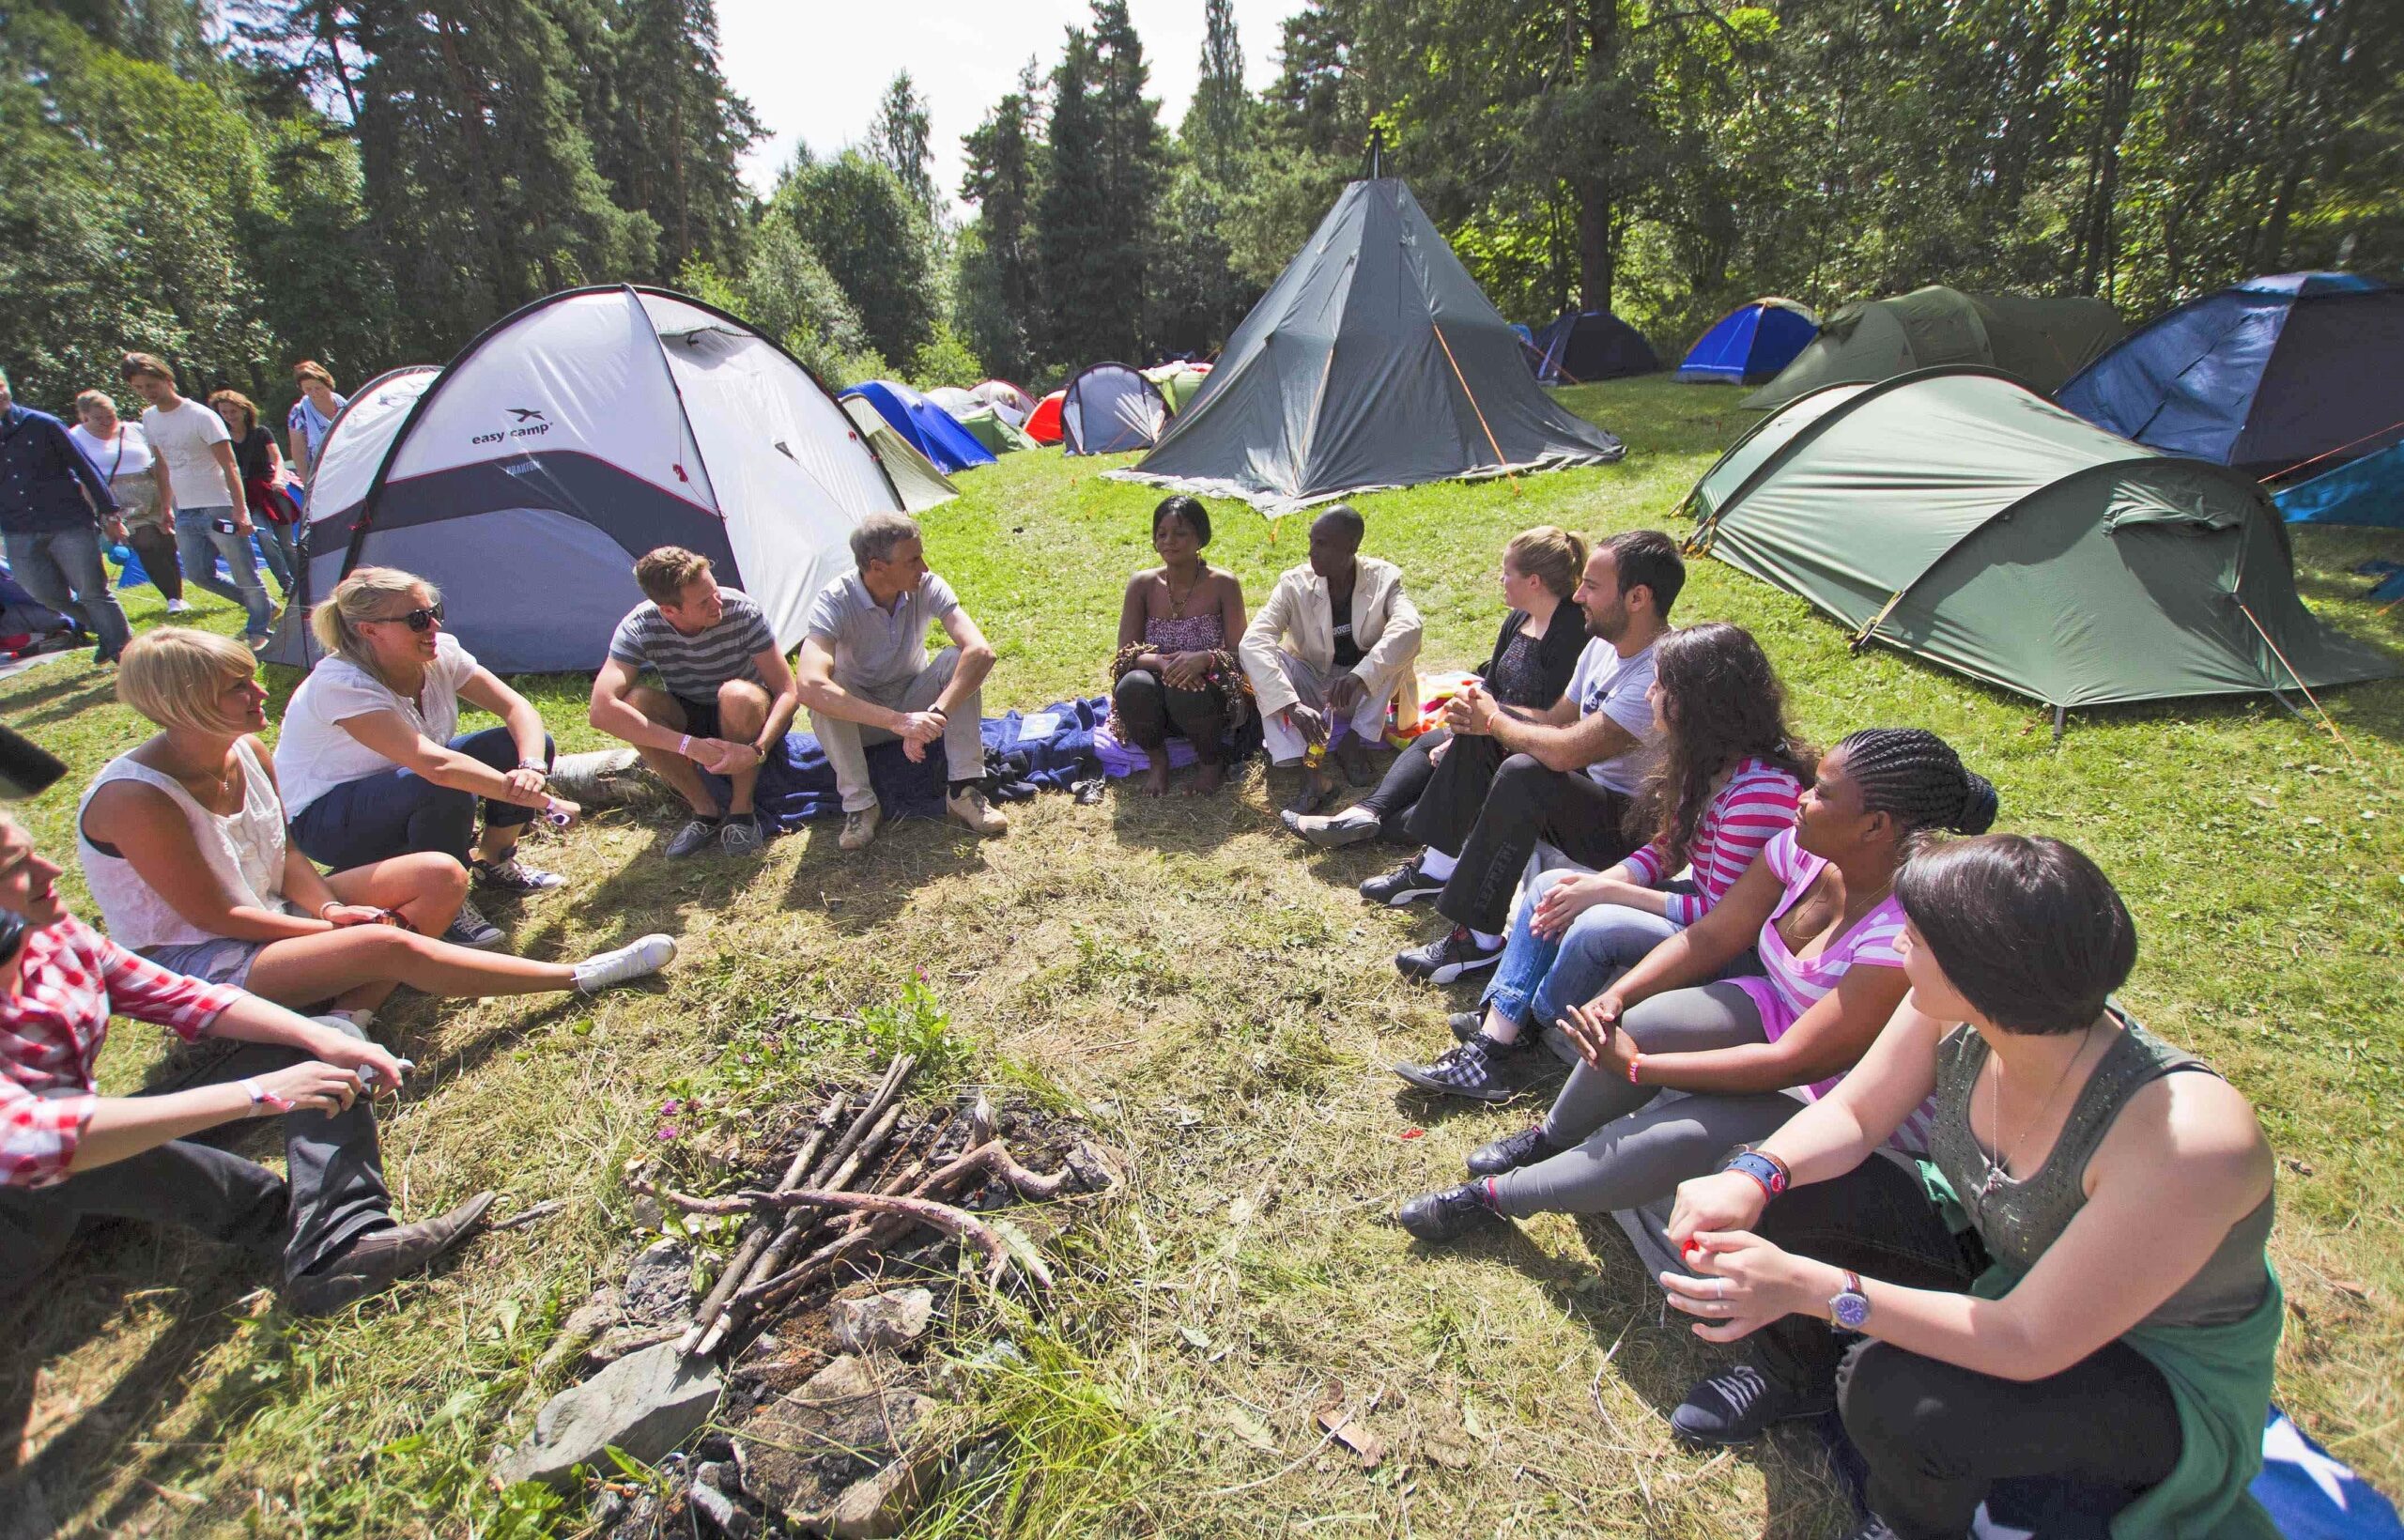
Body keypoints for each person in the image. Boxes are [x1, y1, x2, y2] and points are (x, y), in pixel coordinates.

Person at [1656, 836, 2280, 1540]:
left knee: (1897, 1398)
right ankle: (1795, 1377)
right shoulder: (1952, 1005)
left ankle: (1914, 1524)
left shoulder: (2190, 1142)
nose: (1896, 952)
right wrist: (1755, 1174)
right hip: (2000, 1270)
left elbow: (2028, 1340)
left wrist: (1812, 1287)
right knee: (1786, 1188)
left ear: (1981, 975)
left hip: (2144, 1367)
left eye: (1913, 940)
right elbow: (1855, 1115)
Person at [1394, 728, 1996, 1243]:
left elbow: (1794, 1062)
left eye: (1821, 794)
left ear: (1875, 826)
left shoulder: (1902, 932)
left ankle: (1500, 1197)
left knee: (1679, 1134)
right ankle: (1549, 1140)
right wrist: (1621, 995)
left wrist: (1642, 1071)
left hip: (1840, 1096)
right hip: (1778, 1012)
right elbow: (1711, 937)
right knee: (1643, 1024)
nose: (1801, 799)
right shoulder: (1802, 851)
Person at [0, 814, 497, 1316]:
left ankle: (344, 1236)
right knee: (98, 1147)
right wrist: (261, 1092)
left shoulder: (53, 934)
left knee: (324, 1040)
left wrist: (316, 1036)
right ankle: (286, 1226)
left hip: (74, 1147)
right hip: (24, 1195)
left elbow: (186, 998)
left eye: (33, 851)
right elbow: (39, 1141)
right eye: (14, 867)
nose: (52, 870)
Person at [81, 628, 673, 1024]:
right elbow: (214, 919)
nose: (261, 692)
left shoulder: (247, 752)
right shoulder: (138, 798)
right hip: (196, 962)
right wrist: (334, 933)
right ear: (184, 703)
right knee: (388, 940)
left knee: (441, 876)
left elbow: (283, 858)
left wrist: (330, 913)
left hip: (267, 910)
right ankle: (577, 977)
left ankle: (350, 1018)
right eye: (237, 686)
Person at [1391, 622, 1811, 1101]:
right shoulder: (1708, 761)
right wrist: (1591, 883)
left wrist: (1606, 891)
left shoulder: (1759, 794)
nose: (1650, 693)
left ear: (1697, 702)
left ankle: (1515, 1028)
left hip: (1732, 943)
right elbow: (1667, 848)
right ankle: (1502, 1033)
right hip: (1703, 906)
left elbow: (1723, 920)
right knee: (1557, 885)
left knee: (1597, 925)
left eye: (1660, 685)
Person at [1378, 530, 1682, 985]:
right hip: (1592, 791)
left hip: (1631, 827)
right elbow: (1558, 718)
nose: (1578, 594)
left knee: (1521, 767)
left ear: (1638, 597)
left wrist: (1497, 722)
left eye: (1592, 587)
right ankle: (1437, 866)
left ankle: (1477, 941)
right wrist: (1489, 715)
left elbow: (1569, 751)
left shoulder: (1656, 675)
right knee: (1489, 723)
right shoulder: (1602, 644)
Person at [274, 567, 576, 949]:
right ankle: (448, 901)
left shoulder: (440, 652)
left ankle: (493, 861)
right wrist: (544, 801)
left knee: (515, 746)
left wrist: (531, 766)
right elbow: (436, 765)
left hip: (405, 783)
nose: (433, 625)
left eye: (435, 611)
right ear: (370, 631)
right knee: (440, 782)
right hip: (326, 821)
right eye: (417, 619)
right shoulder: (341, 684)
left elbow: (516, 708)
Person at [1285, 526, 1589, 845]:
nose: (1500, 580)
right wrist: (1462, 727)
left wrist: (1478, 728)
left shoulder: (1570, 633)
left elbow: (1557, 719)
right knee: (1429, 742)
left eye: (1506, 573)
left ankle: (1369, 828)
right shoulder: (1520, 618)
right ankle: (1365, 812)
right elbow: (1492, 684)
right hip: (1487, 730)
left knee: (1423, 811)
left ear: (1534, 581)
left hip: (1524, 744)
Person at [794, 513, 1007, 851]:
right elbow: (807, 684)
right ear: (877, 567)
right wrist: (898, 722)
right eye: (912, 560)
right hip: (862, 717)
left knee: (958, 659)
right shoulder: (835, 600)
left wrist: (935, 715)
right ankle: (860, 806)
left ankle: (963, 790)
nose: (924, 567)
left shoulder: (927, 585)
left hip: (916, 700)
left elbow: (981, 651)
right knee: (826, 688)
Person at [590, 547, 801, 858]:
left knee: (736, 695)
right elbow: (601, 711)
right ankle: (705, 811)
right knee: (634, 703)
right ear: (669, 611)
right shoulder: (639, 626)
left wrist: (758, 750)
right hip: (689, 708)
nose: (718, 603)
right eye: (704, 602)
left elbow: (787, 691)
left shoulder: (742, 611)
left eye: (714, 591)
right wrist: (689, 746)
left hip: (748, 709)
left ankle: (742, 810)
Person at [1239, 504, 1424, 814]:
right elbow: (1254, 640)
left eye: (1322, 544)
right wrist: (1290, 704)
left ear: (1351, 547)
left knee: (1400, 647)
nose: (1312, 551)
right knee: (1257, 658)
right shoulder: (1293, 584)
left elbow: (1411, 626)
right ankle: (1312, 773)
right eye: (1311, 541)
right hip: (1311, 686)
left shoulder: (1384, 578)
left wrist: (1359, 675)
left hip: (1363, 691)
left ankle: (1355, 739)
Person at [120, 352, 275, 648]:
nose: (146, 393)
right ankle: (263, 606)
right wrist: (166, 506)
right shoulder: (149, 418)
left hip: (218, 503)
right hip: (185, 508)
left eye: (151, 385)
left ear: (167, 379)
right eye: (139, 388)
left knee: (244, 570)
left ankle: (259, 627)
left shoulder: (201, 416)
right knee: (198, 574)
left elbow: (230, 465)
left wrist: (241, 512)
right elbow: (162, 465)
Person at [1107, 496, 1249, 795]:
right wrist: (1159, 663)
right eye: (1162, 534)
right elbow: (1124, 657)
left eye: (1180, 533)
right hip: (1152, 701)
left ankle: (1211, 762)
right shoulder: (1142, 585)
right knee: (1132, 684)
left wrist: (1205, 659)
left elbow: (1239, 655)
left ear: (1201, 538)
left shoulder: (1223, 584)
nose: (1169, 541)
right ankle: (1158, 761)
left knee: (1185, 685)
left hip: (1206, 697)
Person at [0, 366, 133, 665]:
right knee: (45, 594)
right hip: (17, 528)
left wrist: (110, 513)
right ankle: (108, 628)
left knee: (92, 591)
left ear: (7, 387)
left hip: (67, 521)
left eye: (0, 386)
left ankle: (122, 648)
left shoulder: (43, 424)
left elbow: (84, 466)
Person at [69, 389, 185, 613]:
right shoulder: (75, 437)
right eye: (98, 418)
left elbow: (160, 459)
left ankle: (176, 594)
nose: (106, 422)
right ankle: (172, 598)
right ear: (84, 416)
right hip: (114, 501)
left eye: (110, 415)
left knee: (166, 543)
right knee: (145, 541)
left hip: (152, 493)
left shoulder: (136, 430)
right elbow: (78, 476)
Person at [208, 389, 304, 599]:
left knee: (287, 543)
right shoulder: (221, 439)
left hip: (271, 490)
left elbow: (277, 459)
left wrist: (278, 479)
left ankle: (302, 581)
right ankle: (286, 583)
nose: (229, 416)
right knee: (264, 537)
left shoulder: (261, 432)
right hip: (246, 496)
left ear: (244, 410)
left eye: (233, 411)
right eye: (224, 412)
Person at [285, 361, 347, 483]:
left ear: (328, 384)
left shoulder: (343, 404)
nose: (314, 393)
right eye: (308, 389)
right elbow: (299, 452)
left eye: (318, 388)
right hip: (322, 475)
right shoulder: (299, 413)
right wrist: (306, 482)